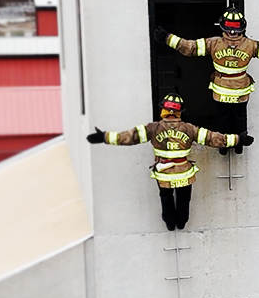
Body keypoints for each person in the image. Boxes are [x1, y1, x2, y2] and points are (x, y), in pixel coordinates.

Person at [157, 8, 259, 153]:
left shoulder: (214, 43)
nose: (232, 32)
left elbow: (190, 47)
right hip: (240, 91)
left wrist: (167, 38)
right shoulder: (250, 45)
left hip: (220, 90)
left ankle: (224, 145)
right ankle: (239, 143)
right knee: (239, 117)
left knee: (223, 118)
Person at [84, 92, 239, 230]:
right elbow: (213, 139)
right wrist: (238, 139)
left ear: (163, 110)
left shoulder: (152, 128)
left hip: (163, 172)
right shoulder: (190, 129)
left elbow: (129, 137)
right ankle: (182, 222)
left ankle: (170, 223)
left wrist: (104, 137)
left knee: (165, 196)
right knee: (184, 198)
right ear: (180, 112)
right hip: (183, 172)